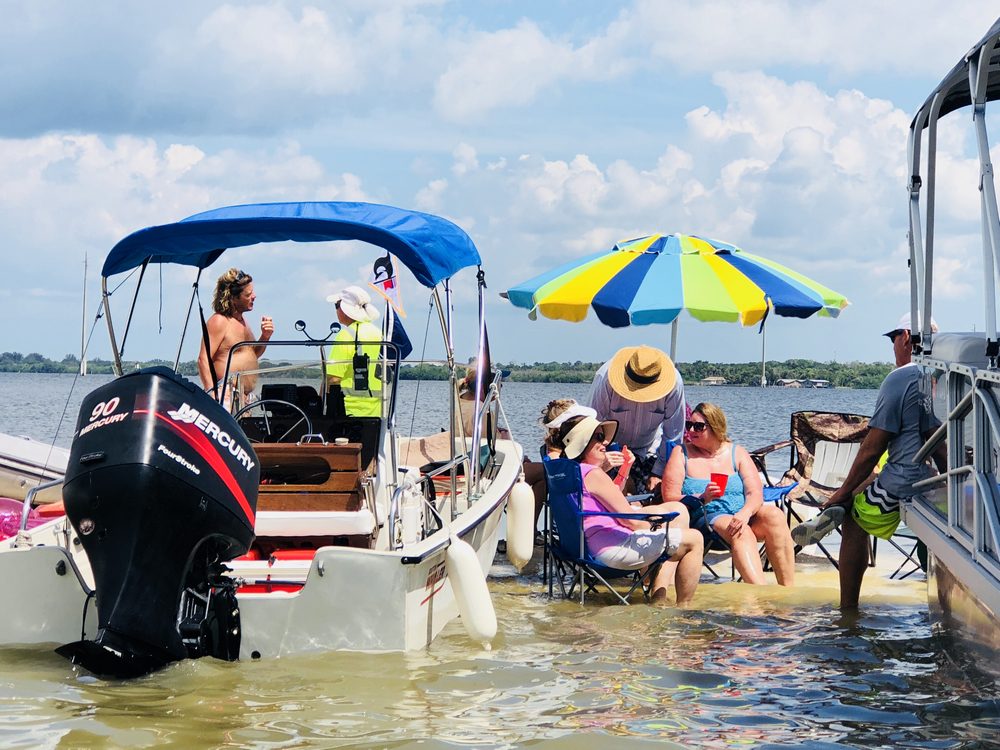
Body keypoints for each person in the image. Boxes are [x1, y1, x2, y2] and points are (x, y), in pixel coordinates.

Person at [791, 312, 943, 608]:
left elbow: (873, 445)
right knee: (868, 484)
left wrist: (842, 491)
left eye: (893, 338)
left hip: (906, 482)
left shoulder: (902, 377)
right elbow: (932, 437)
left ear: (906, 338)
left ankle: (848, 611)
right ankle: (841, 503)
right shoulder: (942, 375)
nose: (892, 347)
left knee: (853, 516)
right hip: (941, 481)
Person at [551, 414, 703, 605]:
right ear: (583, 443)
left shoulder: (574, 471)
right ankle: (683, 609)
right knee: (695, 539)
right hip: (612, 550)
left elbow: (607, 498)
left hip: (586, 546)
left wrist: (625, 469)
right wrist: (658, 527)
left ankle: (659, 592)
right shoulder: (593, 474)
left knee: (676, 512)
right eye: (598, 437)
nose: (605, 442)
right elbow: (629, 521)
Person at [662, 402, 795, 586]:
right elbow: (669, 497)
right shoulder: (682, 453)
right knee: (740, 530)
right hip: (705, 519)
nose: (691, 430)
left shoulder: (737, 453)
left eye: (699, 426)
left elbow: (755, 493)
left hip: (741, 515)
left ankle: (787, 589)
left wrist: (745, 513)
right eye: (689, 425)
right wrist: (702, 497)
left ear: (715, 427)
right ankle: (760, 593)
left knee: (775, 516)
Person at [588, 345, 685, 493]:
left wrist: (659, 473)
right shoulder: (605, 377)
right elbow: (592, 425)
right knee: (616, 491)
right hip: (611, 451)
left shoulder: (674, 384)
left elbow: (674, 435)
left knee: (661, 492)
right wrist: (601, 460)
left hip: (650, 453)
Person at [198, 268, 273, 410]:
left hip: (243, 397)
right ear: (233, 298)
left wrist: (265, 336)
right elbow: (203, 359)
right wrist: (212, 394)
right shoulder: (219, 321)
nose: (254, 296)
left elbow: (252, 355)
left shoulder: (243, 321)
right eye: (248, 294)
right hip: (225, 396)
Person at [326, 286, 383, 418]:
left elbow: (333, 379)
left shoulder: (346, 335)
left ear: (345, 309)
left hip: (349, 410)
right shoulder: (378, 333)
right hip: (377, 410)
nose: (336, 310)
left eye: (337, 305)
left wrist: (321, 405)